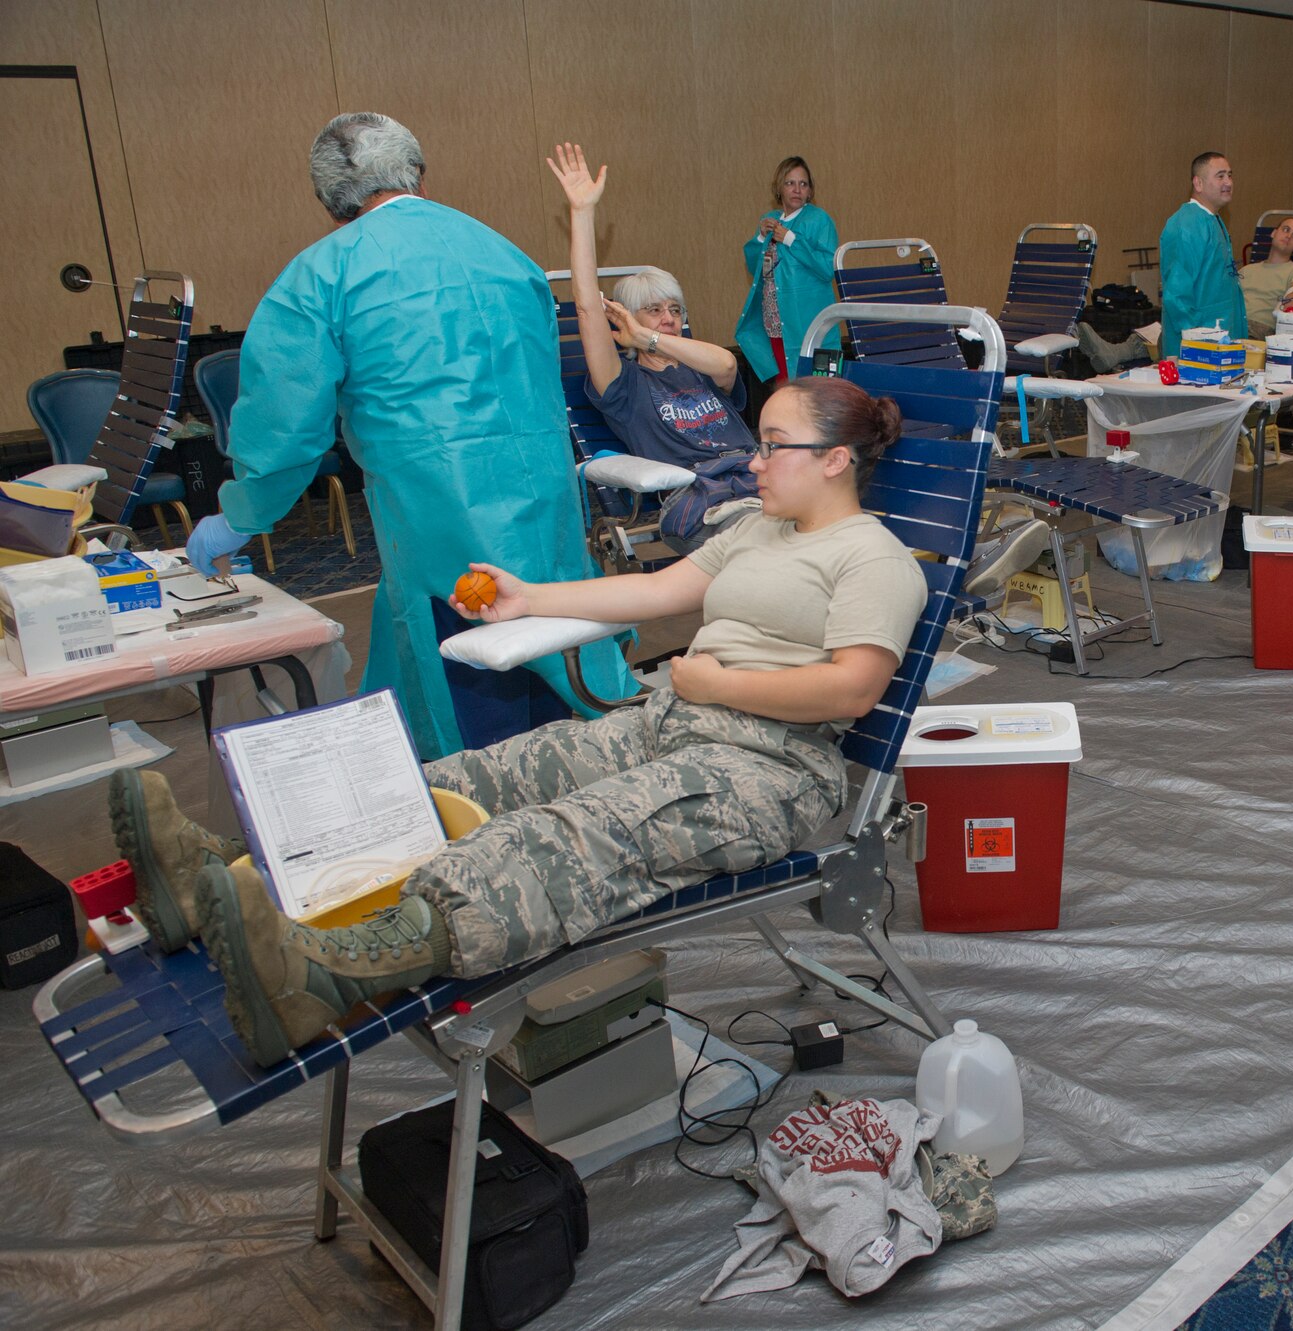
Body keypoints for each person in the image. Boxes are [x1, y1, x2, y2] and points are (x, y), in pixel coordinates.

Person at [115, 377, 930, 1067]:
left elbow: (852, 690)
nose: (751, 460)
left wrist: (719, 683)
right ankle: (224, 871)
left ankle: (320, 981)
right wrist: (528, 596)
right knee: (463, 780)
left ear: (834, 460)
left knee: (562, 835)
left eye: (772, 444)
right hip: (672, 720)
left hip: (769, 771)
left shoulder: (875, 560)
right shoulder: (759, 527)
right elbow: (653, 594)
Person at [182, 113, 628, 760]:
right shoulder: (506, 254)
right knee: (561, 669)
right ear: (418, 173)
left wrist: (240, 516)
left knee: (470, 702)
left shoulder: (321, 277)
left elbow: (284, 429)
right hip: (546, 504)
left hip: (438, 525)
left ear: (333, 202)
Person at [547, 143, 758, 541]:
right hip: (705, 501)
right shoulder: (624, 385)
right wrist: (582, 212)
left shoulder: (701, 365)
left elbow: (729, 366)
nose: (669, 319)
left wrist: (650, 337)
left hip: (761, 480)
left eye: (676, 310)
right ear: (625, 319)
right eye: (654, 310)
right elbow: (588, 308)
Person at [733, 157, 840, 389]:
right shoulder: (769, 219)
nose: (797, 189)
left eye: (803, 184)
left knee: (813, 387)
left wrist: (791, 240)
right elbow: (755, 269)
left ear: (810, 190)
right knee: (785, 384)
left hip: (806, 320)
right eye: (790, 183)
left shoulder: (819, 220)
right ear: (779, 188)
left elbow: (826, 268)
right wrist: (761, 238)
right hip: (775, 318)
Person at [1158, 152, 1246, 357]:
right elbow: (1177, 295)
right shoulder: (1187, 225)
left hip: (1220, 341)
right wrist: (1197, 343)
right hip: (1199, 349)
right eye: (1220, 176)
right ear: (1198, 183)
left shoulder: (1212, 220)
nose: (1228, 182)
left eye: (1230, 175)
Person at [1240, 217, 1293, 339]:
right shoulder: (1246, 270)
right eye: (1286, 229)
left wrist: (1292, 303)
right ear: (1274, 233)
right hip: (1232, 324)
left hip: (1260, 329)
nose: (1289, 236)